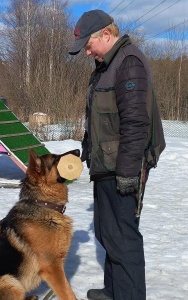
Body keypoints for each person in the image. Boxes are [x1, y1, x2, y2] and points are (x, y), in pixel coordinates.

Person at [69, 9, 165, 300]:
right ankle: (113, 291)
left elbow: (136, 123)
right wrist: (88, 147)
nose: (86, 52)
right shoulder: (106, 65)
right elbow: (102, 116)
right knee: (107, 233)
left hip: (123, 166)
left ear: (106, 35)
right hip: (106, 164)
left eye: (88, 45)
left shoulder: (129, 63)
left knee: (124, 239)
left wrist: (127, 172)